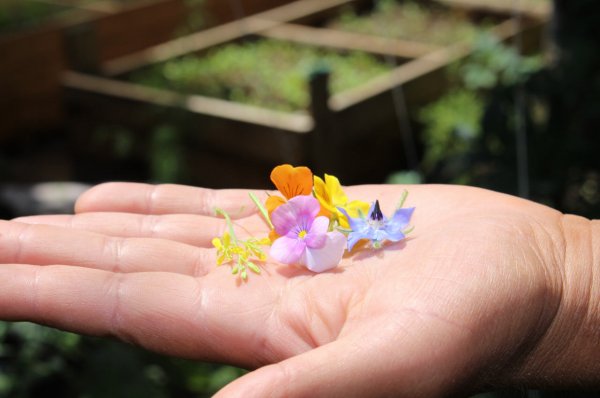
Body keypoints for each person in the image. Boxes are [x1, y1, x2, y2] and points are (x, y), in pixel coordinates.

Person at [0, 182, 598, 397]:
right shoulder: (306, 235)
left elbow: (327, 231)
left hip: (358, 231)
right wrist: (569, 268)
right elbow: (301, 232)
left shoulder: (334, 235)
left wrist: (566, 270)